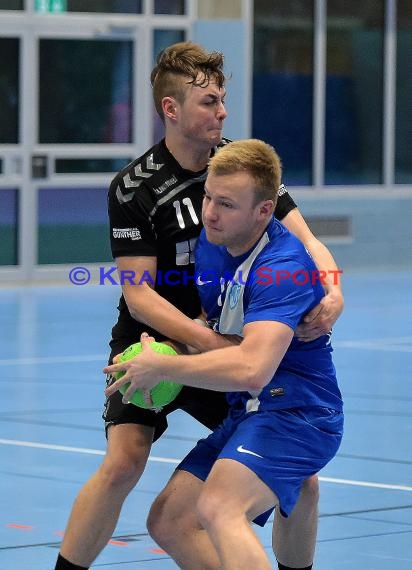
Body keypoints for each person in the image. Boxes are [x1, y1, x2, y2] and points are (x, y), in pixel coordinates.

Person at [55, 42, 343, 570]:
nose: (222, 111)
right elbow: (140, 293)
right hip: (158, 338)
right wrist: (195, 344)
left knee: (296, 471)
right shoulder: (134, 188)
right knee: (123, 462)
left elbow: (306, 241)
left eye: (222, 99)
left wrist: (333, 289)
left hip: (231, 334)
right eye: (209, 101)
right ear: (172, 109)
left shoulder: (237, 167)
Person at [104, 138, 344, 570]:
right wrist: (168, 346)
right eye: (208, 197)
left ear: (264, 211)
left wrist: (166, 366)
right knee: (169, 521)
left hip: (298, 413)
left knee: (220, 506)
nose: (210, 212)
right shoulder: (214, 247)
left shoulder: (281, 268)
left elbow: (252, 369)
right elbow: (213, 326)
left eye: (227, 204)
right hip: (250, 412)